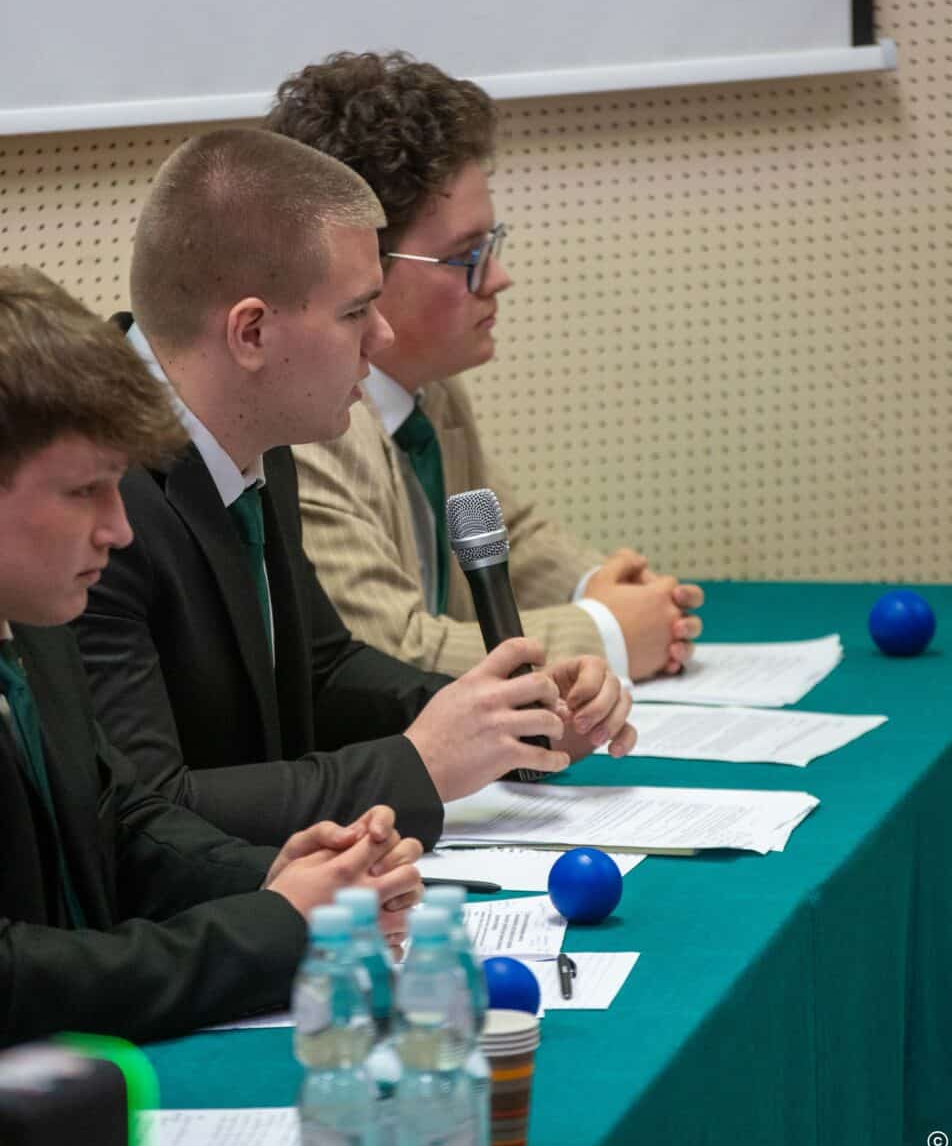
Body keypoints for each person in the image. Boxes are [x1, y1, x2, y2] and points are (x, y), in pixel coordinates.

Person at [0, 264, 423, 1146]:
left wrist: (281, 874)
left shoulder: (25, 616)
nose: (121, 528)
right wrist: (275, 926)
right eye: (84, 493)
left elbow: (119, 819)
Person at [74, 127, 633, 851]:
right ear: (251, 333)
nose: (383, 337)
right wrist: (417, 764)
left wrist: (506, 717)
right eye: (354, 311)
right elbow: (148, 806)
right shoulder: (89, 493)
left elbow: (321, 670)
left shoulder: (250, 426)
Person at [268, 50, 704, 682]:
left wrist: (608, 588)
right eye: (467, 254)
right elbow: (389, 652)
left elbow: (501, 537)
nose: (498, 278)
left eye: (492, 246)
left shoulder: (426, 386)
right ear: (360, 266)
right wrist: (606, 633)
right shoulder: (304, 431)